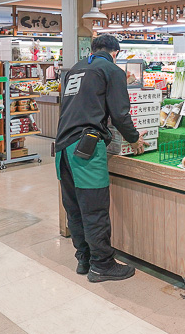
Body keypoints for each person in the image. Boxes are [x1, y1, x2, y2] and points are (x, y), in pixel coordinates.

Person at [56, 35, 147, 282]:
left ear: (93, 49)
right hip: (86, 147)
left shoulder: (75, 69)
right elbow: (120, 113)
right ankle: (102, 265)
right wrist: (134, 138)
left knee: (74, 207)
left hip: (62, 147)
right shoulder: (112, 70)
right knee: (94, 208)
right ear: (115, 52)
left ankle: (84, 259)